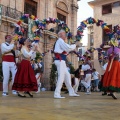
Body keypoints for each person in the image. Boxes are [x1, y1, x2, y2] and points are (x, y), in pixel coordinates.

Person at [53, 29, 80, 98]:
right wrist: (75, 45)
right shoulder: (60, 41)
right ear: (60, 35)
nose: (65, 35)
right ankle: (57, 94)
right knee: (61, 77)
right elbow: (68, 48)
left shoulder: (61, 42)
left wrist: (73, 46)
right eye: (64, 34)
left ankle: (71, 92)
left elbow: (67, 48)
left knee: (67, 76)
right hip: (60, 61)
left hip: (61, 61)